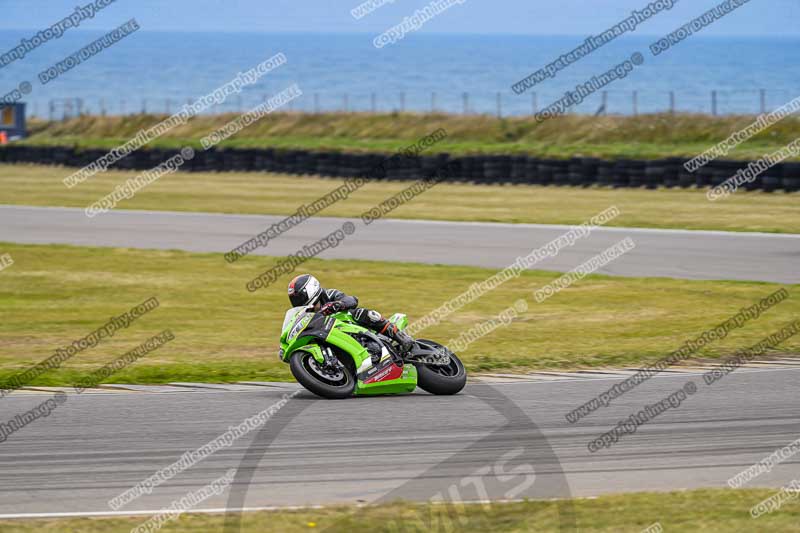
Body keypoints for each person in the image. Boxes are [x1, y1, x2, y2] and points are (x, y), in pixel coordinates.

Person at [287, 274, 415, 354]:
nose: (297, 302)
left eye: (299, 297)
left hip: (352, 326)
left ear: (310, 290)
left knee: (363, 313)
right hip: (333, 336)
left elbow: (352, 300)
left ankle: (400, 337)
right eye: (294, 299)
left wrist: (337, 305)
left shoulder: (329, 294)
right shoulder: (306, 313)